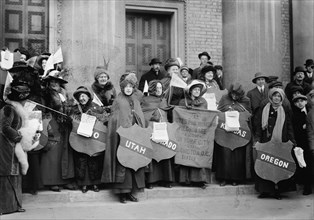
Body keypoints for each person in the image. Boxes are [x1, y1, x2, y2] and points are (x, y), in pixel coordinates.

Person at [101, 73, 146, 203]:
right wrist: (123, 131)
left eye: (130, 86)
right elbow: (115, 118)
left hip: (134, 137)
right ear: (122, 88)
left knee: (132, 164)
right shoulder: (118, 101)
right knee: (122, 164)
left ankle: (131, 192)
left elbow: (140, 117)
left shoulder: (136, 101)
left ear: (133, 88)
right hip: (121, 137)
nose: (128, 88)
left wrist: (138, 128)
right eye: (125, 86)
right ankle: (122, 193)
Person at [254, 88, 297, 200]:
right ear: (271, 97)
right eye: (275, 96)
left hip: (280, 141)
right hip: (266, 140)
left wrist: (292, 140)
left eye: (279, 96)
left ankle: (278, 191)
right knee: (265, 164)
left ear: (282, 98)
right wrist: (257, 139)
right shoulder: (264, 109)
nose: (276, 98)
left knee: (278, 165)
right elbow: (259, 125)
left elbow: (289, 127)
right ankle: (265, 191)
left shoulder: (285, 110)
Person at [0, 81, 32, 214]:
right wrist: (18, 137)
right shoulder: (8, 109)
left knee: (15, 174)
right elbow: (5, 127)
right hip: (6, 145)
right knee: (6, 174)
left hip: (13, 146)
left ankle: (15, 205)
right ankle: (5, 207)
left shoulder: (14, 109)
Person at [40, 70, 76, 192]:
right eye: (52, 81)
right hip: (51, 123)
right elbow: (42, 110)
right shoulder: (45, 94)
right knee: (52, 151)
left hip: (64, 125)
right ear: (48, 83)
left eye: (57, 81)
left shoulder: (64, 94)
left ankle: (64, 180)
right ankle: (51, 181)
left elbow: (70, 107)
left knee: (64, 151)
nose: (54, 83)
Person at [212, 82, 252, 186]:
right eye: (232, 94)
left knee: (237, 156)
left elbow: (249, 115)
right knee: (224, 155)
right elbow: (218, 111)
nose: (234, 96)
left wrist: (238, 113)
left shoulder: (246, 100)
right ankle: (223, 178)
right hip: (224, 132)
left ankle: (236, 179)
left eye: (237, 95)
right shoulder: (224, 98)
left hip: (239, 133)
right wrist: (227, 112)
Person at [70, 86, 106, 193]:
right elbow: (70, 120)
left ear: (88, 96)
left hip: (94, 138)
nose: (81, 98)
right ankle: (83, 184)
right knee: (81, 161)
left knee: (94, 160)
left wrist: (94, 115)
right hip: (80, 139)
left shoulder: (96, 107)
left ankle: (95, 183)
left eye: (83, 95)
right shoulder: (75, 109)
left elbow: (105, 118)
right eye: (79, 96)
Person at [141, 80, 175, 189]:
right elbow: (144, 115)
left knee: (164, 153)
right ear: (151, 89)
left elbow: (168, 114)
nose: (159, 90)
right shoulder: (145, 100)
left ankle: (166, 179)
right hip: (151, 131)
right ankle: (151, 180)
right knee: (153, 154)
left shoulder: (164, 100)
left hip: (163, 130)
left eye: (160, 88)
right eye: (156, 88)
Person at [177, 80, 210, 188]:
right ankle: (186, 179)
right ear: (190, 90)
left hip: (199, 133)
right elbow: (179, 114)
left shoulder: (203, 102)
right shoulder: (183, 102)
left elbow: (205, 116)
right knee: (187, 154)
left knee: (198, 155)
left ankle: (200, 180)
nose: (197, 91)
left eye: (198, 90)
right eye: (195, 89)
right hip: (186, 132)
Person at [291, 94, 312, 195]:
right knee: (305, 165)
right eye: (297, 101)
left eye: (302, 101)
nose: (300, 103)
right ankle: (307, 187)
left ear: (306, 102)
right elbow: (295, 130)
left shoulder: (310, 111)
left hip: (311, 141)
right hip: (302, 143)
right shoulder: (295, 115)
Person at [247, 72, 269, 137]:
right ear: (256, 82)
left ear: (265, 81)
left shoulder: (269, 92)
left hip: (268, 118)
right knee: (257, 137)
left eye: (262, 79)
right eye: (258, 80)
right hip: (256, 119)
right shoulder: (250, 93)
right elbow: (249, 108)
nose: (260, 81)